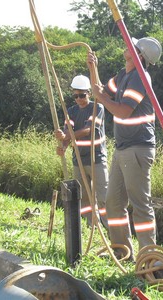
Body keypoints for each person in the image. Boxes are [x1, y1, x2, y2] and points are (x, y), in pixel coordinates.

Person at [87, 37, 162, 261]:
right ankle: (121, 250)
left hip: (137, 148)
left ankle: (149, 256)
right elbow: (100, 91)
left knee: (140, 204)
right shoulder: (123, 75)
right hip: (123, 149)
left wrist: (100, 97)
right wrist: (93, 68)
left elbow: (122, 111)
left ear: (139, 55)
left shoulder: (140, 77)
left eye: (133, 47)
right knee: (113, 202)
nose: (127, 47)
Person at [55, 74, 109, 229]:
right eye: (76, 95)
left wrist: (67, 136)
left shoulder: (97, 107)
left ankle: (109, 228)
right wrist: (63, 146)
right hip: (78, 160)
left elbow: (88, 130)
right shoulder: (70, 111)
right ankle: (92, 225)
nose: (78, 99)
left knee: (103, 196)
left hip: (96, 158)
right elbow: (67, 132)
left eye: (82, 95)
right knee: (84, 197)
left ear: (89, 94)